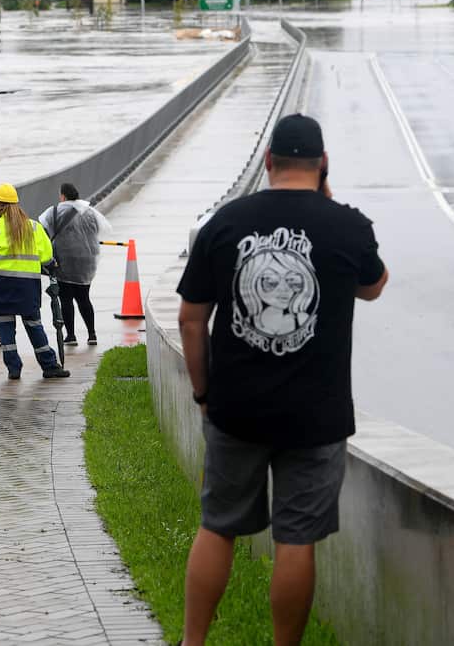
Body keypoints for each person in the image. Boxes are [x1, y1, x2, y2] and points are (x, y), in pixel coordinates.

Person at [175, 114, 388, 646]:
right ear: (322, 165)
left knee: (218, 525)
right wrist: (330, 202)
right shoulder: (348, 225)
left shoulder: (225, 223)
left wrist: (203, 393)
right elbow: (374, 287)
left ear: (268, 161)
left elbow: (190, 319)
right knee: (297, 539)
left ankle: (192, 642)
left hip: (236, 406)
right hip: (316, 416)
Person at [0, 183, 69, 380]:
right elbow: (47, 258)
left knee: (5, 327)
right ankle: (49, 365)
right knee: (34, 324)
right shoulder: (34, 227)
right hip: (26, 286)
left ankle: (13, 368)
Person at [38, 182, 111, 347]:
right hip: (87, 262)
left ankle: (71, 336)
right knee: (84, 297)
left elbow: (42, 232)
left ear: (63, 196)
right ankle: (92, 334)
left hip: (64, 261)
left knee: (66, 299)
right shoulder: (89, 211)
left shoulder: (53, 211)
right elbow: (97, 230)